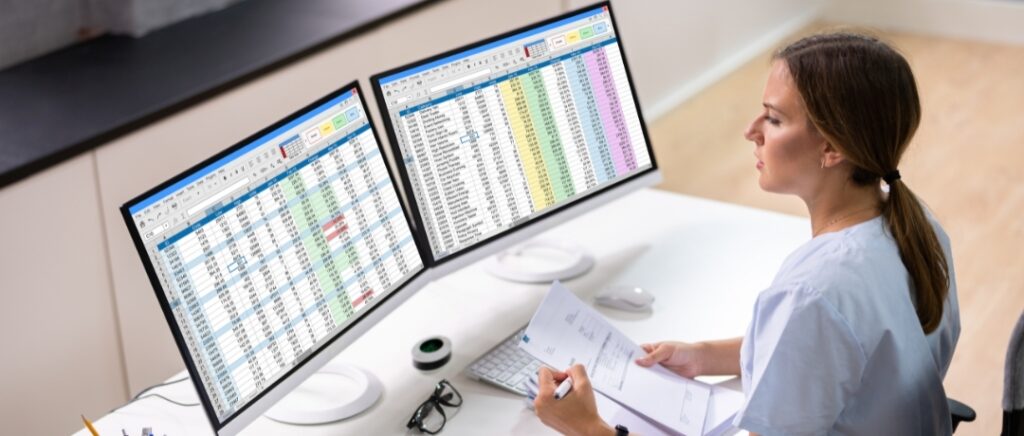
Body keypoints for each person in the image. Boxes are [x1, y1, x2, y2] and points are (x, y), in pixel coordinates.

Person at [533, 31, 961, 436]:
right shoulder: (917, 226)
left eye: (774, 119)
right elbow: (835, 354)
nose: (751, 131)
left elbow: (819, 333)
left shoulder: (814, 295)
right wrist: (703, 355)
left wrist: (587, 427)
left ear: (832, 148)